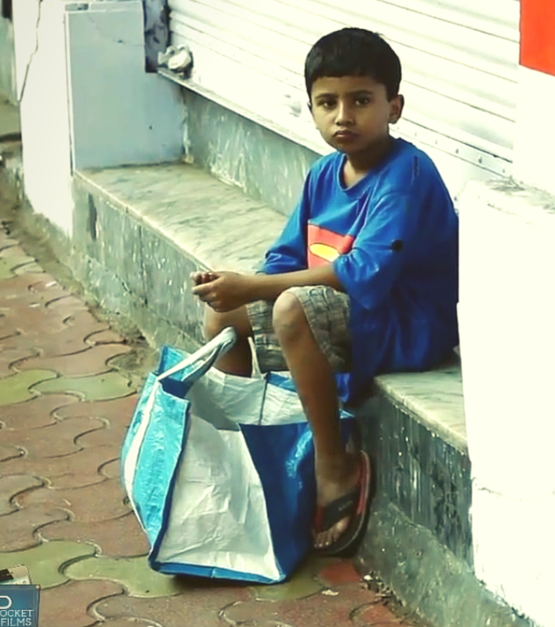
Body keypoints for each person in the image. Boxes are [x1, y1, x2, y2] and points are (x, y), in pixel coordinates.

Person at [189, 27, 459, 555]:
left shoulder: (406, 174)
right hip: (348, 317)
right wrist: (237, 289)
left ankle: (333, 464)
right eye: (327, 102)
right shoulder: (323, 174)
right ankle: (248, 451)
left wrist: (257, 285)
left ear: (394, 107)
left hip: (405, 326)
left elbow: (366, 274)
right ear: (310, 108)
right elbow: (285, 258)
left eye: (361, 101)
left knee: (289, 306)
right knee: (226, 319)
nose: (344, 116)